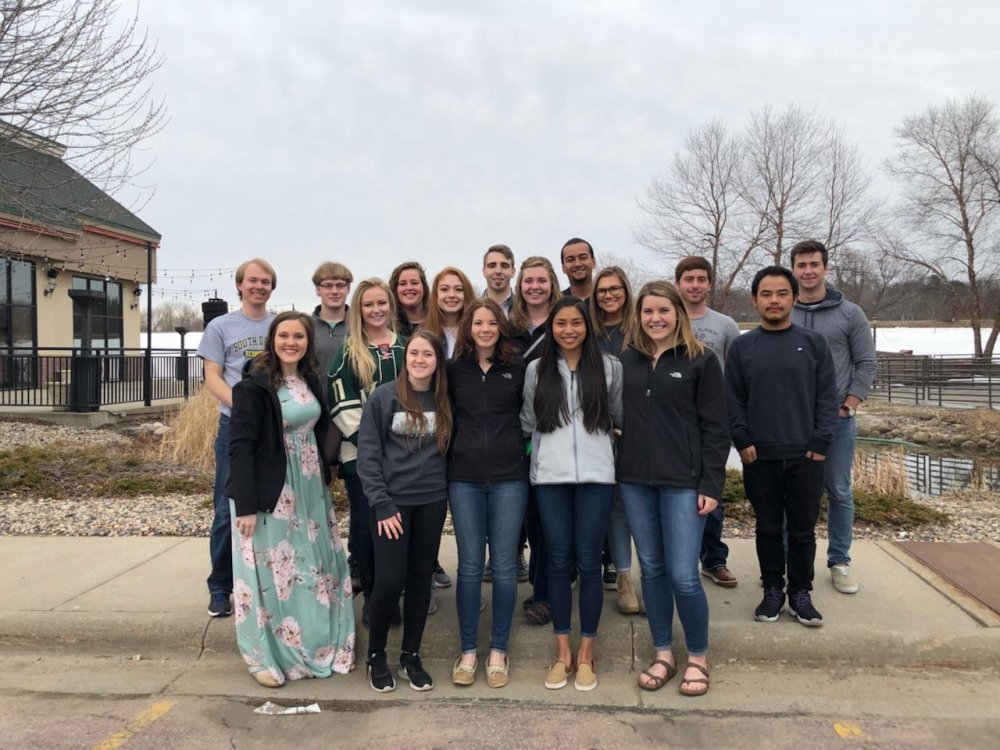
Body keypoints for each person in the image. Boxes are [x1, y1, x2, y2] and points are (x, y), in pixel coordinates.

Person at [228, 311, 355, 688]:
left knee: (307, 568)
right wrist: (246, 504)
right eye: (283, 335)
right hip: (271, 490)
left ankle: (313, 644)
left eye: (298, 336)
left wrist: (329, 467)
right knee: (269, 574)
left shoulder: (309, 379)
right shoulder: (254, 385)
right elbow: (240, 446)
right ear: (272, 339)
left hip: (309, 487)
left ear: (307, 342)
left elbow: (322, 427)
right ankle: (263, 656)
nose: (291, 342)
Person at [617, 281, 729, 697]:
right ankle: (663, 652)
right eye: (648, 312)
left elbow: (716, 429)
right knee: (653, 570)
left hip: (684, 483)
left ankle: (697, 656)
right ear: (638, 317)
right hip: (634, 481)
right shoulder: (626, 361)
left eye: (663, 310)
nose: (655, 319)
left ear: (678, 313)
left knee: (684, 575)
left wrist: (711, 484)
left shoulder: (701, 361)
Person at [726, 266, 838, 628]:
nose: (774, 301)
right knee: (769, 528)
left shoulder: (814, 343)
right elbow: (733, 400)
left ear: (793, 297)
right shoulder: (743, 347)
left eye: (781, 294)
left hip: (806, 455)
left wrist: (821, 441)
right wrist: (741, 440)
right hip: (760, 456)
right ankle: (773, 589)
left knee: (803, 530)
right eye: (766, 294)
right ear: (755, 300)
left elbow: (826, 397)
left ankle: (801, 593)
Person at [521, 297, 623, 692]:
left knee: (589, 562)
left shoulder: (610, 367)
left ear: (587, 326)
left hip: (597, 478)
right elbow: (528, 422)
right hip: (551, 480)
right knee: (559, 563)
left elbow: (617, 416)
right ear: (552, 328)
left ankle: (586, 653)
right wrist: (540, 459)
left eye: (575, 323)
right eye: (560, 323)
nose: (568, 330)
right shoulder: (537, 370)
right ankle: (562, 651)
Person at [357, 330, 454, 693]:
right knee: (390, 580)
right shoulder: (384, 398)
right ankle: (377, 656)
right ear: (405, 356)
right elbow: (368, 457)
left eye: (427, 354)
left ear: (436, 360)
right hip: (392, 505)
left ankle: (411, 655)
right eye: (414, 353)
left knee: (419, 581)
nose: (419, 360)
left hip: (431, 501)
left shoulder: (445, 399)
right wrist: (381, 503)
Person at [447, 299, 528, 689]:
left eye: (491, 322)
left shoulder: (517, 368)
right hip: (462, 478)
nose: (484, 328)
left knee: (505, 567)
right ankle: (467, 651)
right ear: (468, 328)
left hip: (510, 478)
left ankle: (498, 649)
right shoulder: (453, 371)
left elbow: (529, 419)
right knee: (469, 566)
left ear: (501, 327)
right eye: (477, 322)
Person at [790, 240, 877, 595]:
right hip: (792, 421)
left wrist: (848, 404)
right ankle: (790, 559)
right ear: (793, 269)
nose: (808, 271)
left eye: (814, 264)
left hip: (836, 421)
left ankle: (839, 560)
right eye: (801, 265)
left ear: (825, 268)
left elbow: (867, 363)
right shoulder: (784, 311)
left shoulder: (849, 313)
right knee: (790, 492)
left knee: (838, 490)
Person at [197, 258, 276, 618]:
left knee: (270, 507)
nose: (259, 286)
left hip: (274, 427)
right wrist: (243, 409)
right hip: (235, 427)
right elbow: (212, 376)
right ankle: (220, 586)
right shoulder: (221, 326)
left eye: (266, 282)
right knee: (228, 509)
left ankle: (265, 579)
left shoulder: (279, 326)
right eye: (253, 281)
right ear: (240, 285)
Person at [328, 279, 406, 626]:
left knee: (398, 527)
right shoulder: (347, 352)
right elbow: (341, 403)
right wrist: (373, 445)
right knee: (367, 525)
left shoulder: (407, 348)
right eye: (367, 304)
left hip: (405, 455)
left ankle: (395, 594)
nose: (375, 310)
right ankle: (375, 597)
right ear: (358, 309)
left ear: (391, 306)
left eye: (381, 303)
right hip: (360, 455)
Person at [674, 256, 742, 589]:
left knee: (711, 492)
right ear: (678, 284)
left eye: (701, 279)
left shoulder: (726, 326)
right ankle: (679, 559)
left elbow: (736, 375)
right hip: (673, 422)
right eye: (689, 279)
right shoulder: (664, 319)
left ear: (709, 284)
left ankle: (714, 558)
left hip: (712, 422)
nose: (695, 285)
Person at [508, 256, 562, 625]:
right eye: (528, 281)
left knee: (548, 523)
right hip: (512, 436)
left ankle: (545, 594)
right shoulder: (508, 328)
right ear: (520, 285)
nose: (535, 287)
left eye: (541, 280)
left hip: (553, 434)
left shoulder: (564, 324)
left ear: (551, 283)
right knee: (527, 518)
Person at [589, 266, 640, 614]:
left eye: (615, 289)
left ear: (626, 291)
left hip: (640, 428)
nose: (608, 295)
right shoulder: (587, 332)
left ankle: (634, 577)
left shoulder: (639, 330)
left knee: (632, 507)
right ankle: (610, 575)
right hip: (597, 432)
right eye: (602, 291)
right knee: (607, 507)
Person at [311, 262, 353, 380]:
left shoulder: (361, 325)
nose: (334, 291)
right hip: (314, 397)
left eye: (340, 285)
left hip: (353, 397)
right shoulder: (305, 327)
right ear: (318, 289)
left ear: (348, 288)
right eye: (328, 285)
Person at [425, 266, 476, 358]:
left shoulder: (477, 332)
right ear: (436, 295)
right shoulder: (423, 332)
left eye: (459, 289)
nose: (451, 295)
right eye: (444, 289)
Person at [389, 261, 430, 337]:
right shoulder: (387, 327)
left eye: (414, 283)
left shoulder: (438, 322)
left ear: (424, 287)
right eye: (403, 284)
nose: (409, 288)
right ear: (395, 289)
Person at [482, 244, 516, 316]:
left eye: (504, 266)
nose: (498, 271)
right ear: (484, 271)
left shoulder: (525, 309)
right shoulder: (470, 311)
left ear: (513, 272)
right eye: (492, 266)